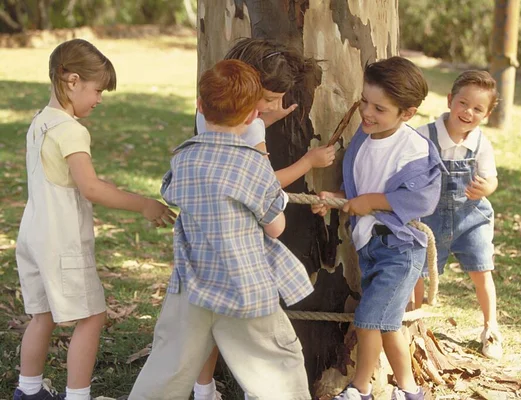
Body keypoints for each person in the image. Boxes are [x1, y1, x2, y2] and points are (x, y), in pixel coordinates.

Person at [128, 59, 314, 400]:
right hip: (246, 286)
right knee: (276, 367)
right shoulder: (254, 164)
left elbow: (170, 191)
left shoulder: (183, 159)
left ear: (200, 107)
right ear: (251, 116)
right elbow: (275, 228)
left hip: (193, 285)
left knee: (168, 365)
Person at [13, 39, 175, 400]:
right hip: (63, 243)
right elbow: (91, 190)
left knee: (42, 316)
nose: (99, 99)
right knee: (92, 317)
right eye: (97, 90)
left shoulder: (40, 122)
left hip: (34, 238)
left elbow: (61, 177)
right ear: (72, 81)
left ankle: (28, 390)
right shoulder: (72, 130)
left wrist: (99, 183)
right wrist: (143, 204)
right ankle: (78, 395)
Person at [193, 38, 335, 400]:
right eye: (269, 98)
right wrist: (309, 162)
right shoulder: (252, 129)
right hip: (241, 241)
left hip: (203, 234)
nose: (273, 106)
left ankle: (203, 385)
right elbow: (263, 183)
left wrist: (268, 114)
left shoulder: (209, 111)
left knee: (207, 315)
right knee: (260, 330)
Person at [311, 57, 443, 400]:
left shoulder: (414, 149)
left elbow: (421, 198)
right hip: (370, 249)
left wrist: (373, 201)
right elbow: (359, 191)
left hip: (399, 250)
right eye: (364, 102)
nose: (367, 113)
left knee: (368, 319)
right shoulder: (364, 137)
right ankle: (412, 392)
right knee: (386, 326)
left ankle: (360, 389)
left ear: (407, 114)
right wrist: (337, 198)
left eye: (379, 108)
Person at [413, 70, 502, 359]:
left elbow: (492, 179)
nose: (468, 112)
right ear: (450, 100)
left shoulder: (480, 144)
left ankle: (491, 328)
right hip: (429, 217)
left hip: (470, 217)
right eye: (463, 103)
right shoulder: (423, 136)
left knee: (481, 270)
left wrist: (485, 187)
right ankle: (414, 323)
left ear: (486, 114)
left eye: (478, 109)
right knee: (418, 270)